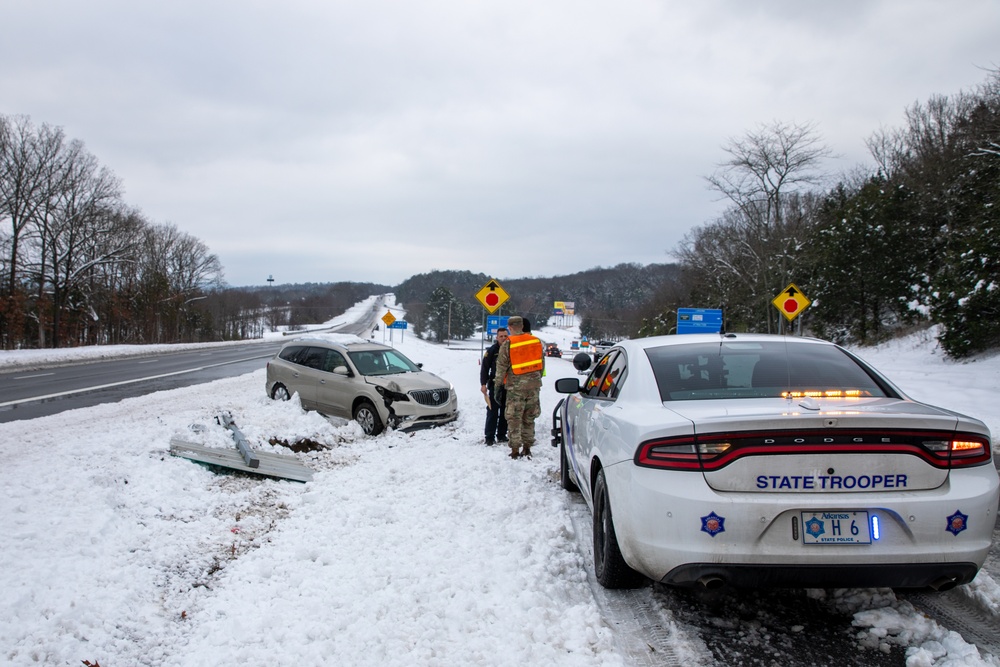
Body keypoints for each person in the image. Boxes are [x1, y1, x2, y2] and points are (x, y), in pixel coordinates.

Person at [493, 315, 544, 459]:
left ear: (509, 328)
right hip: (533, 387)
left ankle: (515, 449)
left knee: (514, 418)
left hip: (516, 388)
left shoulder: (508, 344)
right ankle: (527, 448)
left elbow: (501, 368)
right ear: (522, 326)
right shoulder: (536, 341)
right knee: (529, 417)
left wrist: (497, 387)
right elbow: (541, 365)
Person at [479, 326, 509, 446]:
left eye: (505, 336)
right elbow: (484, 368)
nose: (503, 338)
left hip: (508, 386)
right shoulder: (492, 351)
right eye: (501, 336)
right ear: (496, 338)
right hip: (495, 385)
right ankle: (489, 436)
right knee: (492, 411)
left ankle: (501, 434)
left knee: (505, 412)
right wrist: (483, 384)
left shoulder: (511, 349)